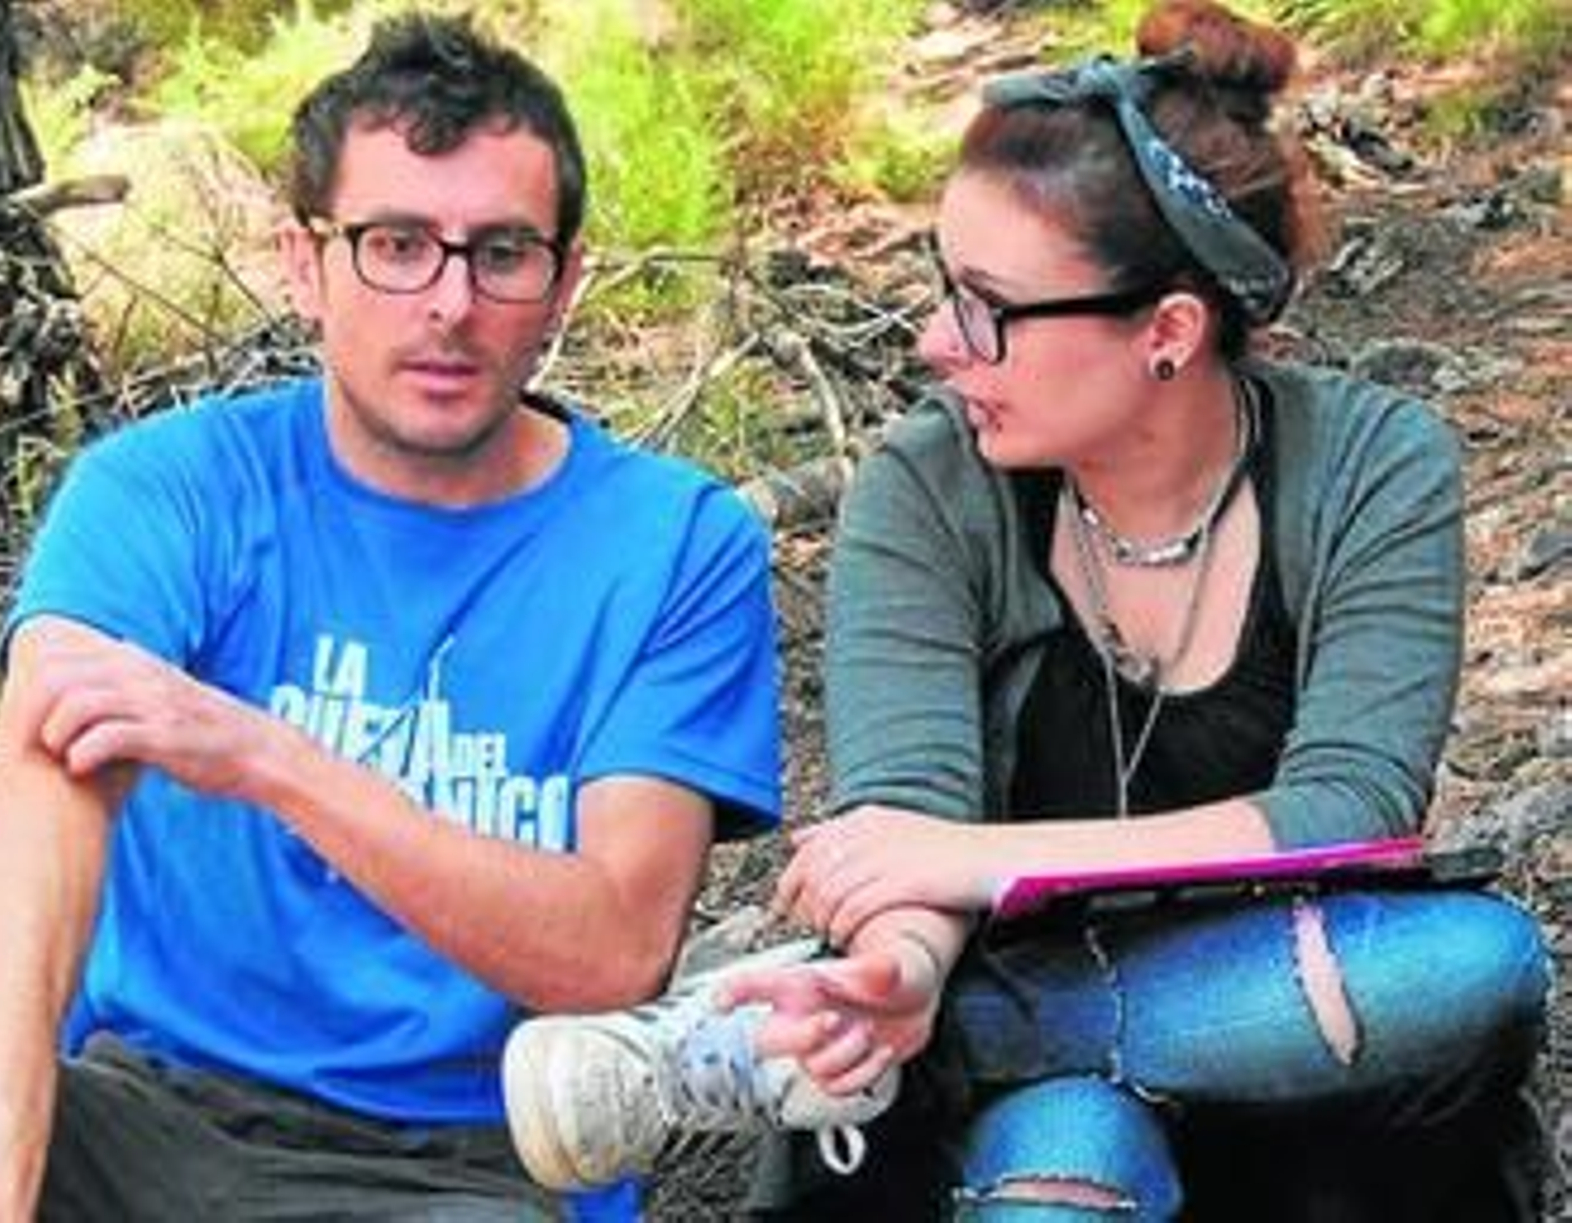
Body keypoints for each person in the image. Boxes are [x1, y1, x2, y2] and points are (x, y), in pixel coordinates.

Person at [499, 2, 1552, 1218]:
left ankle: (957, 1045)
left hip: (1295, 1027)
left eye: (989, 306)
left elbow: (1348, 807)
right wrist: (894, 973)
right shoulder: (926, 485)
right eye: (944, 285)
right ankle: (947, 1046)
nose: (935, 342)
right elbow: (906, 809)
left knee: (1473, 963)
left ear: (1167, 331)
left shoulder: (1370, 462)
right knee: (1069, 1134)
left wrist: (970, 883)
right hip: (1013, 1096)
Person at [0, 13, 782, 1222]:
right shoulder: (167, 488)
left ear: (563, 282)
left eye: (500, 252)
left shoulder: (674, 545)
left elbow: (614, 949)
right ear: (304, 264)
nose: (450, 303)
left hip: (467, 1164)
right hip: (149, 1113)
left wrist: (268, 757)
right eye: (396, 244)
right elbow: (41, 798)